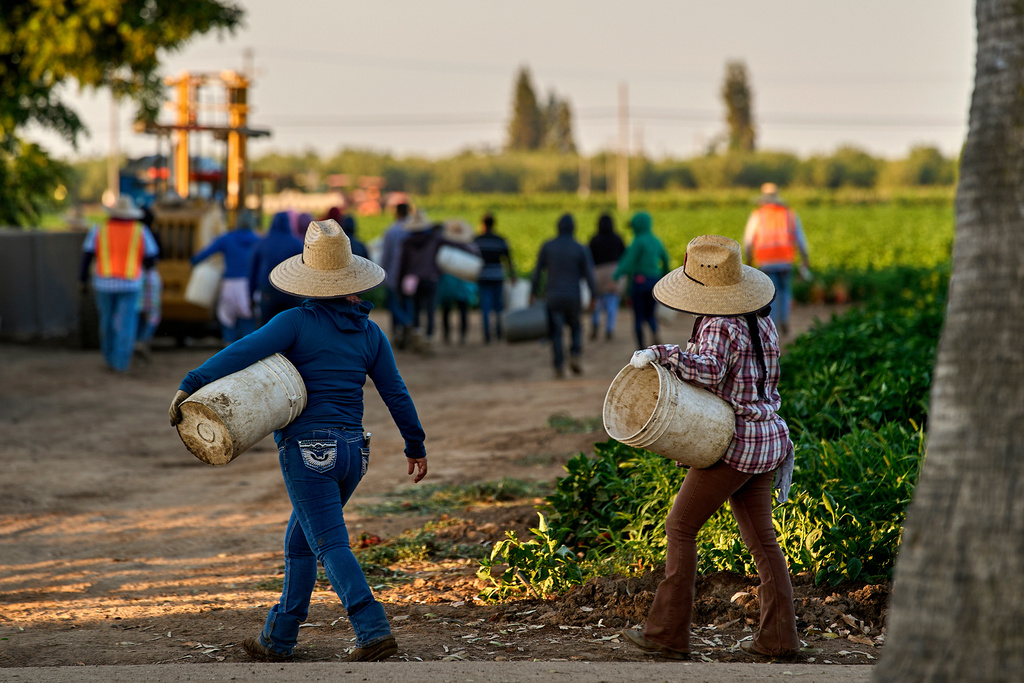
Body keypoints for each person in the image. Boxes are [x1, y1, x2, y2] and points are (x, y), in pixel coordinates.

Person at [168, 219, 427, 663]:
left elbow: (241, 351)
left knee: (329, 544)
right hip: (353, 454)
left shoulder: (294, 322)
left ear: (309, 276)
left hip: (309, 451)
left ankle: (372, 627)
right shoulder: (370, 332)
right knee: (300, 542)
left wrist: (191, 383)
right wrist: (415, 445)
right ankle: (278, 637)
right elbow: (395, 392)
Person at [622, 235, 800, 661]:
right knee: (763, 542)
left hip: (735, 443)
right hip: (768, 438)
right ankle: (779, 640)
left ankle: (667, 635)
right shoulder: (760, 317)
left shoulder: (721, 323)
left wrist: (661, 354)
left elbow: (707, 369)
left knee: (680, 527)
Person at [78, 195, 160, 373]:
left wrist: (83, 280)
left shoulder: (99, 229)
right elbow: (152, 257)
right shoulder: (140, 230)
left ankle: (109, 358)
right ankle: (121, 362)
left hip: (103, 283)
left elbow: (87, 256)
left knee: (106, 321)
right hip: (130, 284)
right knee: (126, 324)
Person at [530, 213, 597, 379]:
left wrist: (533, 292)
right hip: (573, 296)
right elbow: (589, 274)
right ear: (574, 228)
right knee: (575, 327)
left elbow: (537, 271)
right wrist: (594, 296)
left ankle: (559, 365)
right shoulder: (580, 248)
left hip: (553, 297)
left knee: (556, 332)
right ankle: (574, 354)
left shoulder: (547, 246)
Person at [742, 183, 811, 336]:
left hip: (766, 261)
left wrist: (748, 260)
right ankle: (784, 319)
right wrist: (805, 258)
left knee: (770, 294)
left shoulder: (758, 214)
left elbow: (748, 240)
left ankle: (772, 326)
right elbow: (800, 238)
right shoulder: (789, 213)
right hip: (786, 260)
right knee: (785, 291)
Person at [191, 209, 260, 343]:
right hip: (248, 286)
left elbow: (206, 253)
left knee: (227, 319)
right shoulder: (258, 240)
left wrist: (193, 262)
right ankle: (248, 352)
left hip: (229, 285)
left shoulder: (227, 238)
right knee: (248, 320)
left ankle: (229, 348)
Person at [613, 211, 670, 349]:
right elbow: (666, 260)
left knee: (638, 316)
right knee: (650, 314)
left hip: (639, 282)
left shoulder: (637, 242)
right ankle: (655, 335)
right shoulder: (657, 241)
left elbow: (628, 262)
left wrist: (615, 276)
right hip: (654, 282)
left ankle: (641, 347)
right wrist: (665, 278)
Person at [249, 211, 304, 326]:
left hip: (267, 292)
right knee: (290, 330)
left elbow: (252, 272)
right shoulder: (296, 243)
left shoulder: (262, 243)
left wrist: (251, 295)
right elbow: (303, 272)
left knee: (266, 331)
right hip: (290, 294)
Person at [473, 212, 516, 344]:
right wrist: (512, 274)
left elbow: (470, 258)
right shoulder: (501, 240)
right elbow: (508, 259)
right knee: (498, 306)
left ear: (483, 225)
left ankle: (487, 335)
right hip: (498, 276)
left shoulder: (477, 240)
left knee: (485, 307)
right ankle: (498, 333)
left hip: (483, 276)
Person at [437, 219, 479, 345]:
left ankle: (446, 335)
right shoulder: (469, 246)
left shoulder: (445, 246)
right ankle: (463, 336)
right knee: (463, 310)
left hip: (448, 283)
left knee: (446, 310)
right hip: (463, 283)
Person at [379, 202, 413, 346]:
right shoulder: (413, 231)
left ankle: (401, 329)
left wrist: (382, 273)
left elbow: (386, 255)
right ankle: (407, 331)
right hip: (410, 275)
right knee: (407, 303)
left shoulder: (391, 231)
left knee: (393, 305)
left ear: (397, 213)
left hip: (393, 273)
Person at [588, 212, 626, 341]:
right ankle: (609, 329)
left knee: (597, 301)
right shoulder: (617, 238)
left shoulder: (594, 239)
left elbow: (589, 258)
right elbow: (623, 255)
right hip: (614, 272)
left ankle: (595, 323)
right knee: (612, 302)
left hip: (597, 272)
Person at [134, 205, 163, 359]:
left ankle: (136, 340)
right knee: (153, 313)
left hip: (132, 276)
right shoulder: (149, 233)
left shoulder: (132, 232)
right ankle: (144, 340)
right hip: (150, 276)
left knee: (136, 312)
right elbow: (155, 256)